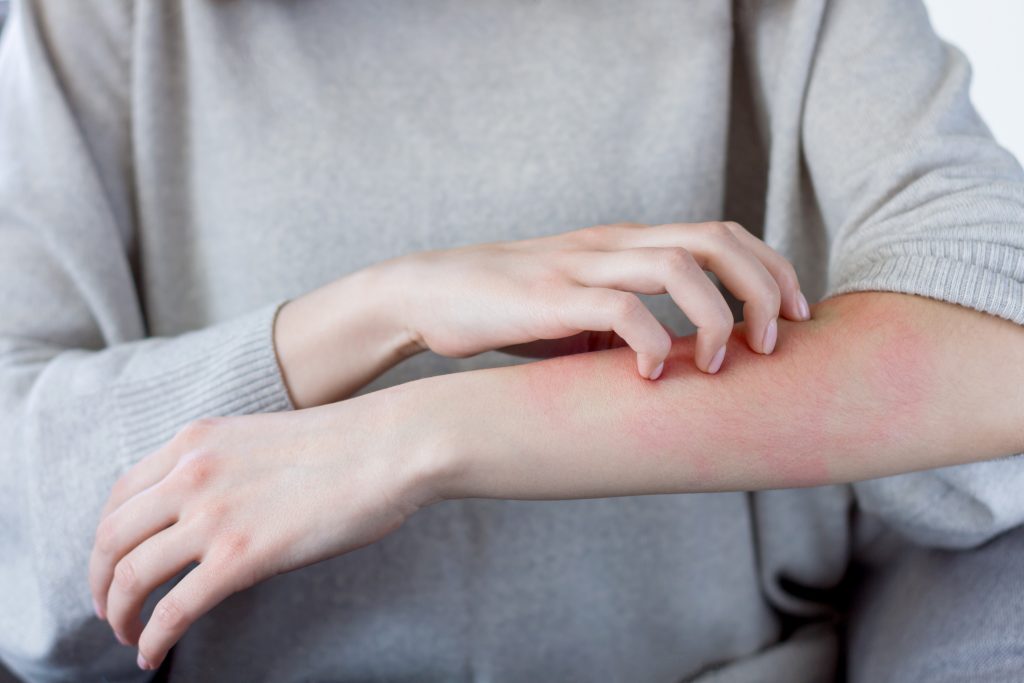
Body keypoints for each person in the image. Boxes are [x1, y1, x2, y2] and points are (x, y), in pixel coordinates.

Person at [0, 0, 1022, 680]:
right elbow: (18, 512)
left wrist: (419, 436)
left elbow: (993, 346)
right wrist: (376, 311)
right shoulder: (100, 22)